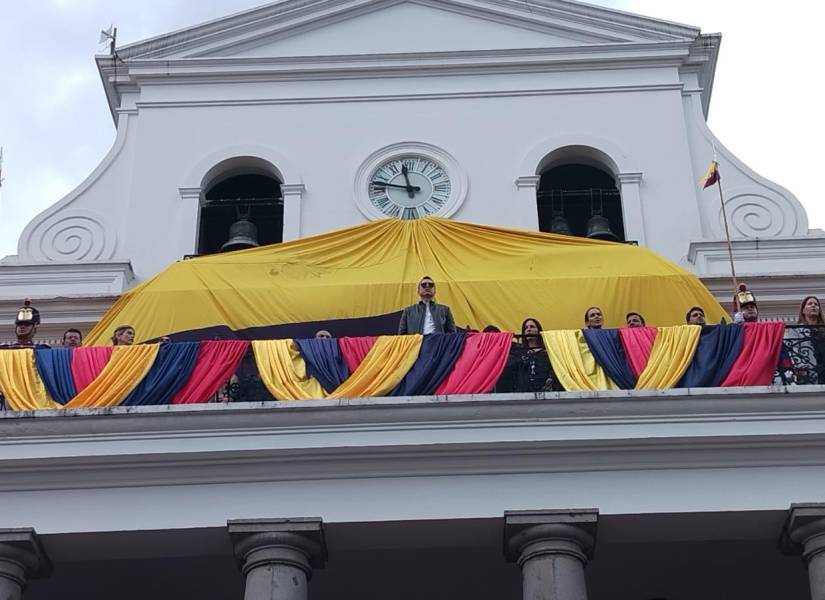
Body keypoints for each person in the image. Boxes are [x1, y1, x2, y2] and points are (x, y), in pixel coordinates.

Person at [498, 318, 560, 393]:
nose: (528, 329)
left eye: (532, 326)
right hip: (522, 395)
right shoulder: (519, 352)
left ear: (538, 331)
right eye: (526, 328)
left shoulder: (547, 353)